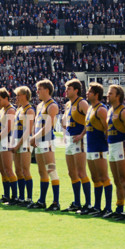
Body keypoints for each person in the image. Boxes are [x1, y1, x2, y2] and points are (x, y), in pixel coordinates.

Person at [105, 85, 125, 221]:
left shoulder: (124, 112)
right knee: (117, 180)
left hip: (121, 145)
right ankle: (119, 208)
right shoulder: (110, 111)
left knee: (124, 180)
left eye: (110, 93)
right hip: (112, 147)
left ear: (118, 96)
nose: (107, 95)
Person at [28, 79, 60, 211]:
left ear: (47, 90)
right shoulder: (40, 105)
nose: (37, 92)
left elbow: (48, 127)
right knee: (42, 171)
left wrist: (34, 137)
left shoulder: (52, 106)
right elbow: (37, 125)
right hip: (40, 142)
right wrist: (34, 137)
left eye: (39, 89)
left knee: (51, 170)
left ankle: (56, 202)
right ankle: (42, 200)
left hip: (47, 141)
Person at [61, 79, 91, 213]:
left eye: (69, 89)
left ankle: (88, 203)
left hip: (79, 140)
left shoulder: (82, 103)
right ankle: (77, 202)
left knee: (81, 172)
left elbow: (90, 120)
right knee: (71, 172)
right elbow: (65, 121)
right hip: (69, 140)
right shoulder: (68, 104)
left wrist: (82, 135)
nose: (66, 91)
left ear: (76, 90)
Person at [83, 83, 113, 217]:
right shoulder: (90, 108)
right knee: (95, 178)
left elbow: (107, 129)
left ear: (96, 94)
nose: (87, 93)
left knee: (104, 177)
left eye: (89, 92)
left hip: (99, 147)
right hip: (90, 146)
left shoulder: (101, 109)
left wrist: (107, 145)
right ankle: (97, 206)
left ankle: (107, 208)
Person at [0, 88, 17, 204]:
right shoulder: (1, 110)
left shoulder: (11, 110)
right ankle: (6, 195)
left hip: (7, 141)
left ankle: (14, 196)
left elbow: (8, 128)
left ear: (6, 98)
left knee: (8, 169)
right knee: (2, 170)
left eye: (0, 100)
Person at [12, 86, 35, 206]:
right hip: (17, 141)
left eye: (18, 95)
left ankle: (29, 198)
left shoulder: (29, 110)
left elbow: (28, 130)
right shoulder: (19, 109)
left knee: (25, 170)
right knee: (18, 170)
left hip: (24, 142)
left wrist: (18, 144)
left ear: (25, 95)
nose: (16, 98)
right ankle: (21, 197)